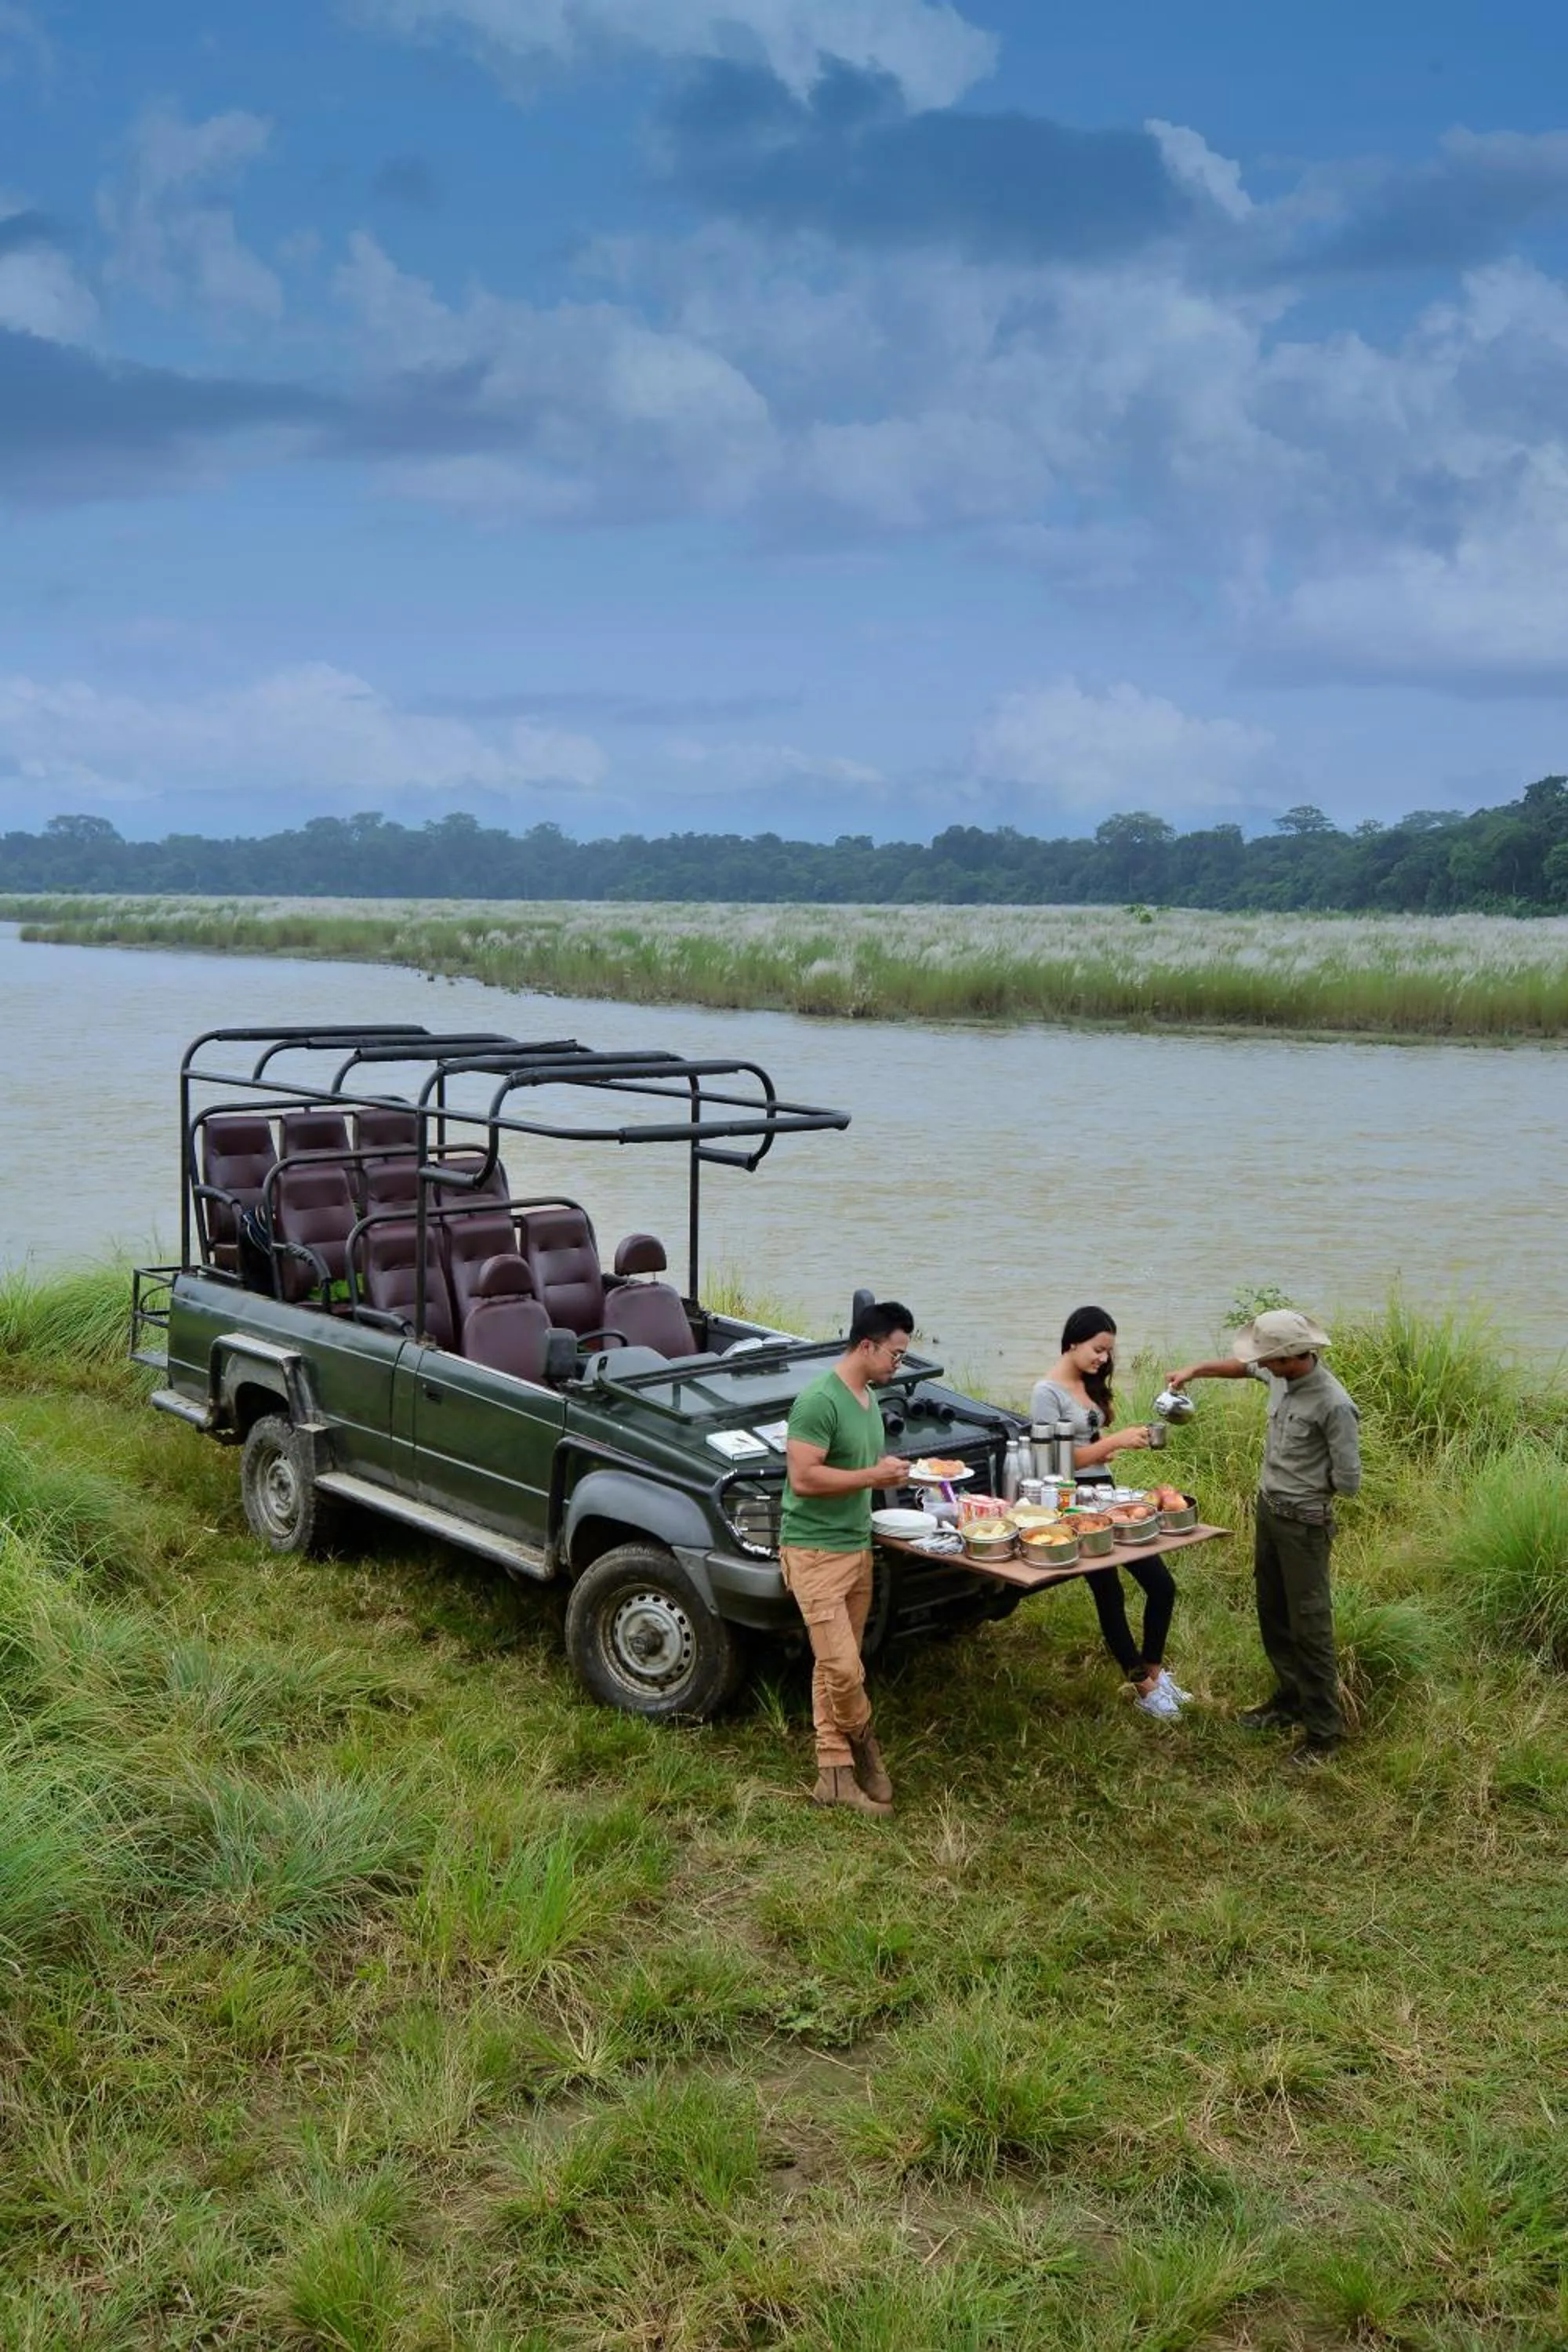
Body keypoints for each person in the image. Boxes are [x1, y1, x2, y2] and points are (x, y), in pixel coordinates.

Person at [1167, 1306, 1361, 1765]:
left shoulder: (1334, 1404)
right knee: (1273, 1611)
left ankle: (1323, 1734)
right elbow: (1242, 1368)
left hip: (1304, 1525)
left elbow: (1349, 1480)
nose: (1261, 1365)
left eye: (1268, 1359)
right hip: (1269, 1513)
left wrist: (1305, 1493)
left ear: (1292, 1357)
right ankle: (1290, 1701)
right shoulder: (1280, 1375)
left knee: (1310, 1625)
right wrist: (1195, 1370)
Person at [780, 1299, 913, 1815]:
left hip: (856, 1547)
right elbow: (804, 1478)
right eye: (895, 1354)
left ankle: (833, 1776)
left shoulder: (868, 1399)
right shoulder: (819, 1401)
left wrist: (891, 1473)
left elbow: (857, 1466)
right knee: (843, 1669)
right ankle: (867, 1746)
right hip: (814, 1552)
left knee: (834, 1665)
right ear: (866, 1346)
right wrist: (872, 1477)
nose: (898, 1363)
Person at [1033, 1306, 1186, 1719]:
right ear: (1073, 1342)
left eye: (1108, 1352)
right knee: (1110, 1593)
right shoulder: (1046, 1393)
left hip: (1106, 1495)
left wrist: (1107, 1448)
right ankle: (1143, 1688)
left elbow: (1088, 1445)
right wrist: (1112, 1442)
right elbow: (1056, 1463)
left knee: (1161, 1585)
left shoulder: (1089, 1383)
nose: (1104, 1359)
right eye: (1098, 1349)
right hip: (1072, 1503)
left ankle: (1155, 1671)